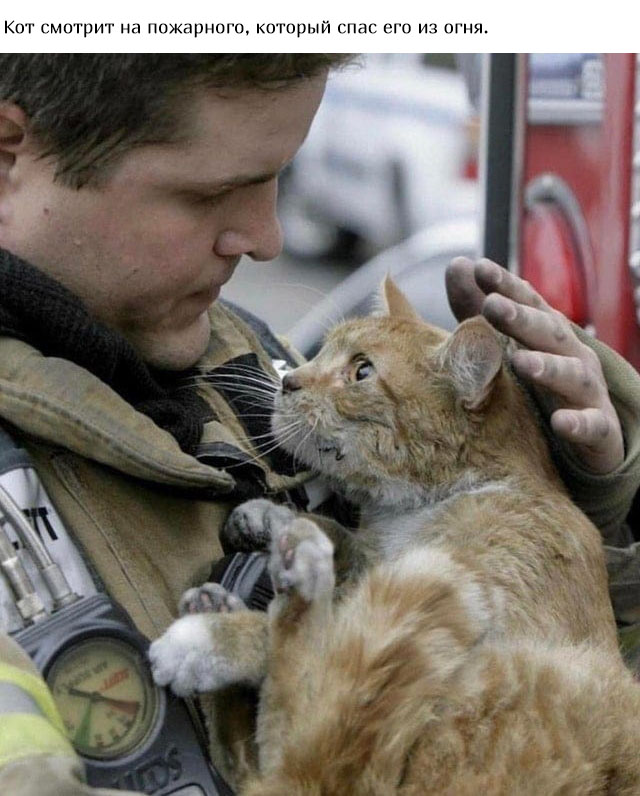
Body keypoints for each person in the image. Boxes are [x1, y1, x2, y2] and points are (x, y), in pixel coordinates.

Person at [0, 54, 638, 796]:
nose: (269, 237)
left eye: (277, 178)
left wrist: (579, 493)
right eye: (214, 192)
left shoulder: (246, 351)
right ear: (11, 154)